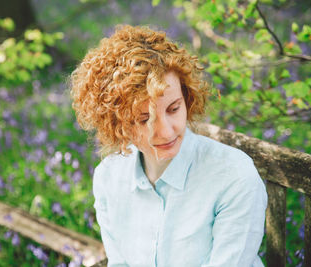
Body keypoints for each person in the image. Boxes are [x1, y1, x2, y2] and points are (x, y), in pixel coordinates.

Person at [71, 25, 267, 267]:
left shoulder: (234, 177)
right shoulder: (109, 178)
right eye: (143, 119)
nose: (165, 131)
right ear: (116, 123)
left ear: (187, 98)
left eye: (173, 108)